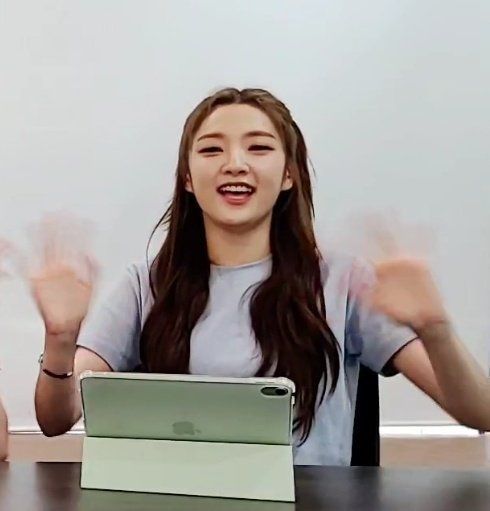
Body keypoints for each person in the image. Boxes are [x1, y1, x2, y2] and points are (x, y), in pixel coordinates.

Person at [32, 88, 490, 465]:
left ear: (288, 174)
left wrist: (436, 330)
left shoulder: (341, 280)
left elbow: (481, 414)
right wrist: (60, 338)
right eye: (211, 149)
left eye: (259, 147)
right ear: (188, 178)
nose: (235, 163)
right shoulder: (145, 285)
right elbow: (56, 419)